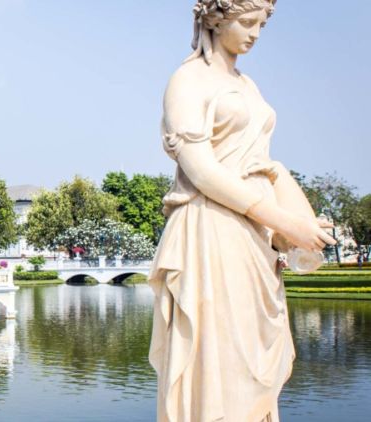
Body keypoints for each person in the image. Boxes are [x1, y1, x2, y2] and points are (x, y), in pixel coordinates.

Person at [148, 1, 336, 421]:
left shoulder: (247, 84)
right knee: (220, 360)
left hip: (254, 235)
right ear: (215, 20)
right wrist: (285, 220)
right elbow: (202, 171)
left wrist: (296, 220)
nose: (254, 33)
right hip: (211, 231)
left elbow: (262, 163)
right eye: (247, 22)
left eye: (261, 24)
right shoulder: (187, 80)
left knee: (253, 365)